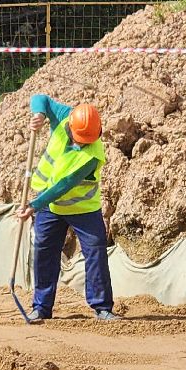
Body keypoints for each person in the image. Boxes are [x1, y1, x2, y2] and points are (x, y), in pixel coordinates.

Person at [17, 93, 115, 321]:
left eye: (87, 140)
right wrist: (39, 114)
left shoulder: (92, 155)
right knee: (44, 251)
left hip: (83, 209)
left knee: (95, 252)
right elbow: (41, 98)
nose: (83, 143)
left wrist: (34, 205)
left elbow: (65, 184)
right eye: (80, 138)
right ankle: (41, 308)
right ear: (71, 125)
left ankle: (102, 307)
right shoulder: (65, 116)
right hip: (51, 206)